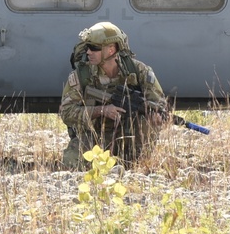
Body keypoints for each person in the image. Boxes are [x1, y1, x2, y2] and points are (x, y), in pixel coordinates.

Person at [59, 21, 168, 169]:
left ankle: (135, 162)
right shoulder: (82, 75)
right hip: (94, 137)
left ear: (111, 49)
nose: (88, 52)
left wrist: (157, 117)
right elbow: (66, 112)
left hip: (129, 135)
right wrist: (101, 111)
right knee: (71, 164)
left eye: (94, 48)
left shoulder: (139, 71)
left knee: (147, 123)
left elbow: (159, 103)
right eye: (87, 48)